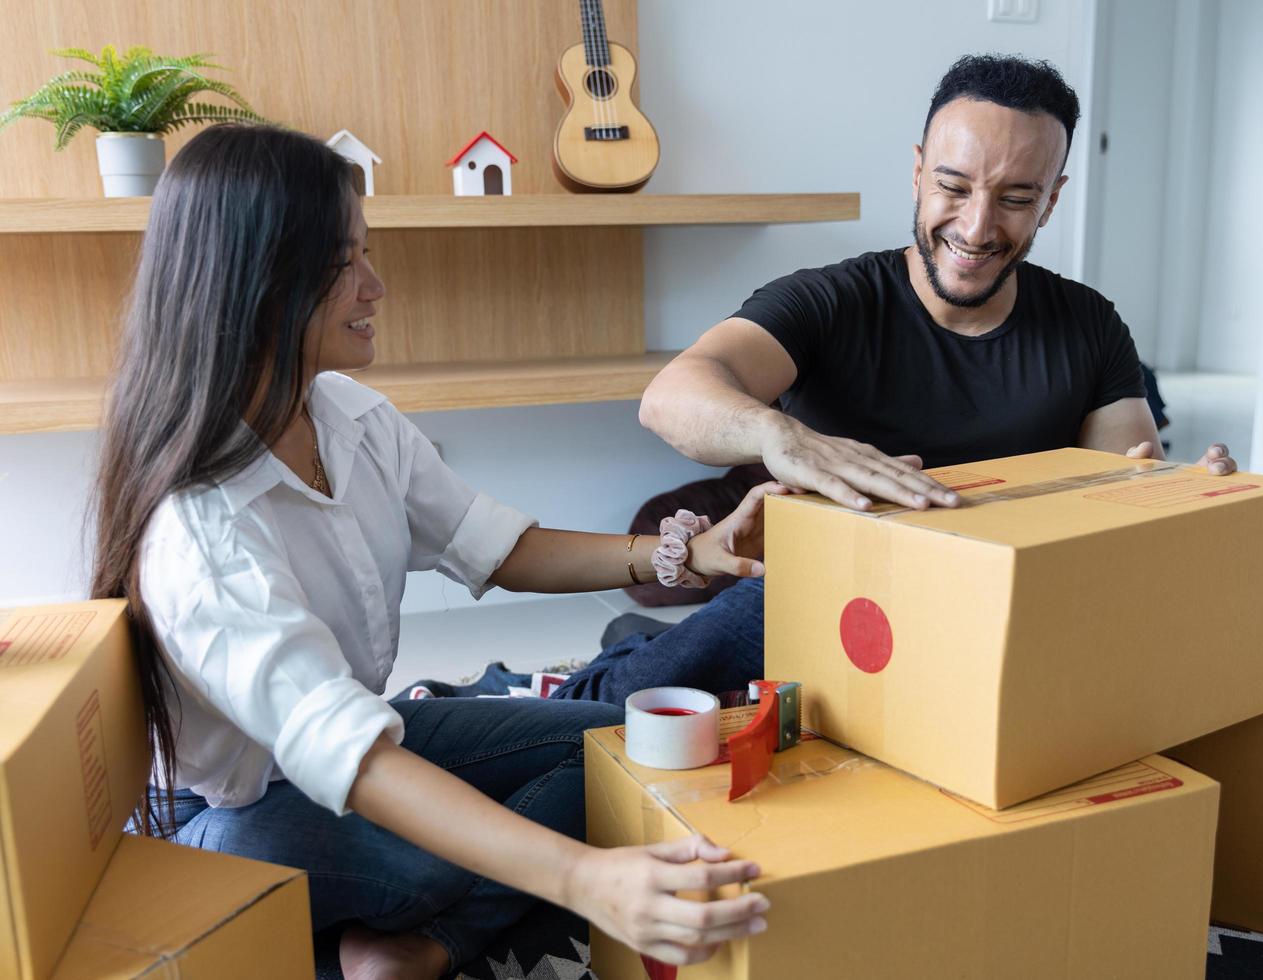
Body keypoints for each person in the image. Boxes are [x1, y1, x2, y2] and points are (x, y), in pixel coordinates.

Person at [89, 125, 779, 979]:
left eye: (364, 253)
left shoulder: (347, 415)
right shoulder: (200, 533)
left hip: (366, 737)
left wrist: (684, 553)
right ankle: (411, 923)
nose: (375, 285)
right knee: (436, 859)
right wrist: (585, 879)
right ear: (254, 283)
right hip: (229, 814)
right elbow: (360, 760)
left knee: (611, 750)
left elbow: (499, 549)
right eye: (344, 263)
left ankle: (421, 949)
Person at [542, 53, 1238, 705]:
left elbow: (1124, 482)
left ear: (1051, 201)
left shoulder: (1089, 323)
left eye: (1016, 198)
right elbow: (670, 397)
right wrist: (779, 434)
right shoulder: (826, 299)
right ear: (916, 173)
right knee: (637, 704)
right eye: (952, 186)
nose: (976, 225)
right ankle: (554, 681)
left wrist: (1180, 496)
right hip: (845, 591)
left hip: (1001, 601)